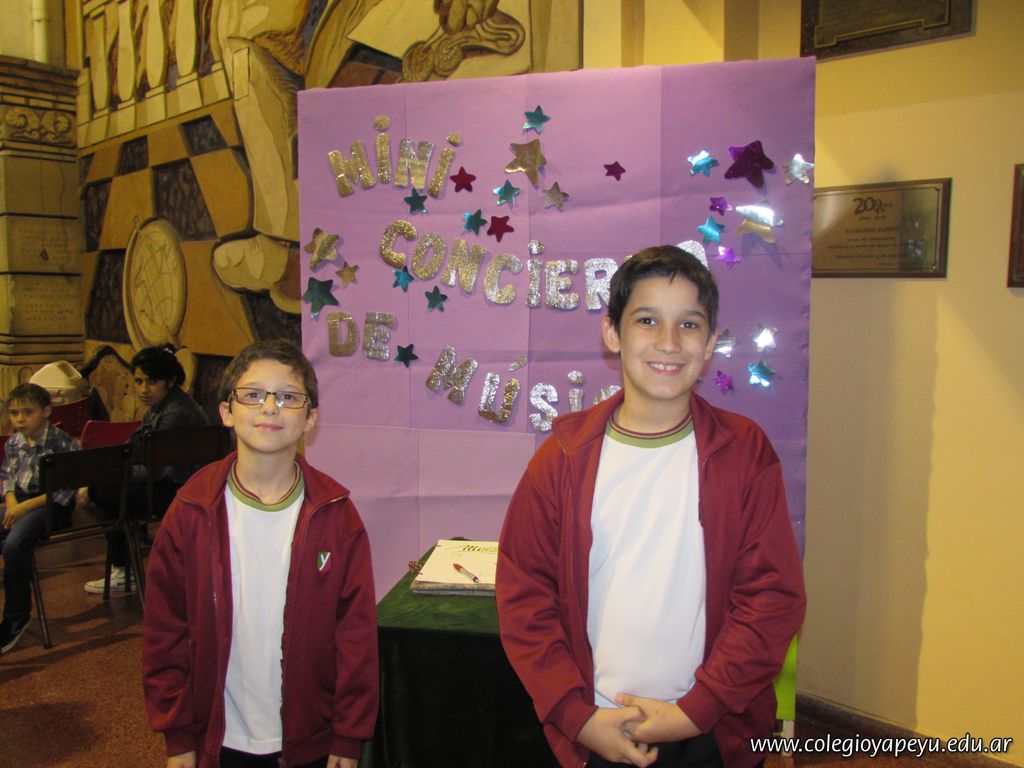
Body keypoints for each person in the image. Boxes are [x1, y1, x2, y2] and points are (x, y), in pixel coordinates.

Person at [496, 245, 806, 768]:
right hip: (595, 729)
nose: (668, 342)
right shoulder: (563, 458)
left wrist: (695, 712)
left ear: (710, 342)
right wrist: (577, 717)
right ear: (612, 333)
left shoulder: (744, 453)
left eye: (689, 324)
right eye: (647, 320)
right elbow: (525, 597)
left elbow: (771, 598)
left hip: (711, 729)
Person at [142, 339, 378, 768]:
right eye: (253, 394)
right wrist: (177, 736)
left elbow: (355, 636)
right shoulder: (191, 510)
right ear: (226, 411)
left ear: (310, 418)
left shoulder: (336, 515)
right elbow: (165, 629)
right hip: (218, 735)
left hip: (310, 739)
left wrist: (348, 735)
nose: (270, 407)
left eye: (288, 397)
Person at [83, 345, 208, 594]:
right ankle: (123, 564)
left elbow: (158, 470)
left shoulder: (176, 414)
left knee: (104, 494)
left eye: (151, 382)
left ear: (170, 381)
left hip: (178, 490)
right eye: (138, 381)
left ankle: (123, 569)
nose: (143, 389)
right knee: (105, 491)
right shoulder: (162, 405)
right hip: (167, 484)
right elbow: (135, 446)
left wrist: (115, 474)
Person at [0, 383, 80, 654]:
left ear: (46, 411)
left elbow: (63, 491)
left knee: (14, 545)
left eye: (27, 412)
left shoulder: (63, 443)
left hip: (51, 506)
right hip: (20, 504)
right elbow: (7, 476)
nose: (20, 419)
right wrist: (12, 501)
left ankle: (16, 617)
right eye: (14, 413)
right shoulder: (14, 441)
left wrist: (22, 508)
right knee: (12, 545)